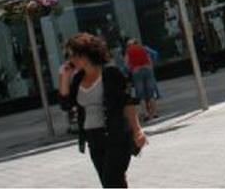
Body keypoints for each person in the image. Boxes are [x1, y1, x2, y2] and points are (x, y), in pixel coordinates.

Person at [58, 33, 145, 188]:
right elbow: (66, 104)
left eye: (73, 55)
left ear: (85, 54)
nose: (71, 60)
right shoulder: (78, 78)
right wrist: (65, 77)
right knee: (112, 184)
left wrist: (137, 130)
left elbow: (127, 103)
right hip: (93, 139)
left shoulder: (111, 73)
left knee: (111, 182)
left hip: (115, 135)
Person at [123, 38, 157, 121]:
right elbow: (149, 59)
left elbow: (126, 64)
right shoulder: (143, 48)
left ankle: (146, 114)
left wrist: (129, 71)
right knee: (151, 93)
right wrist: (150, 68)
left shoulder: (128, 51)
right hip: (147, 69)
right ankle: (154, 113)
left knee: (141, 94)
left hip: (136, 71)